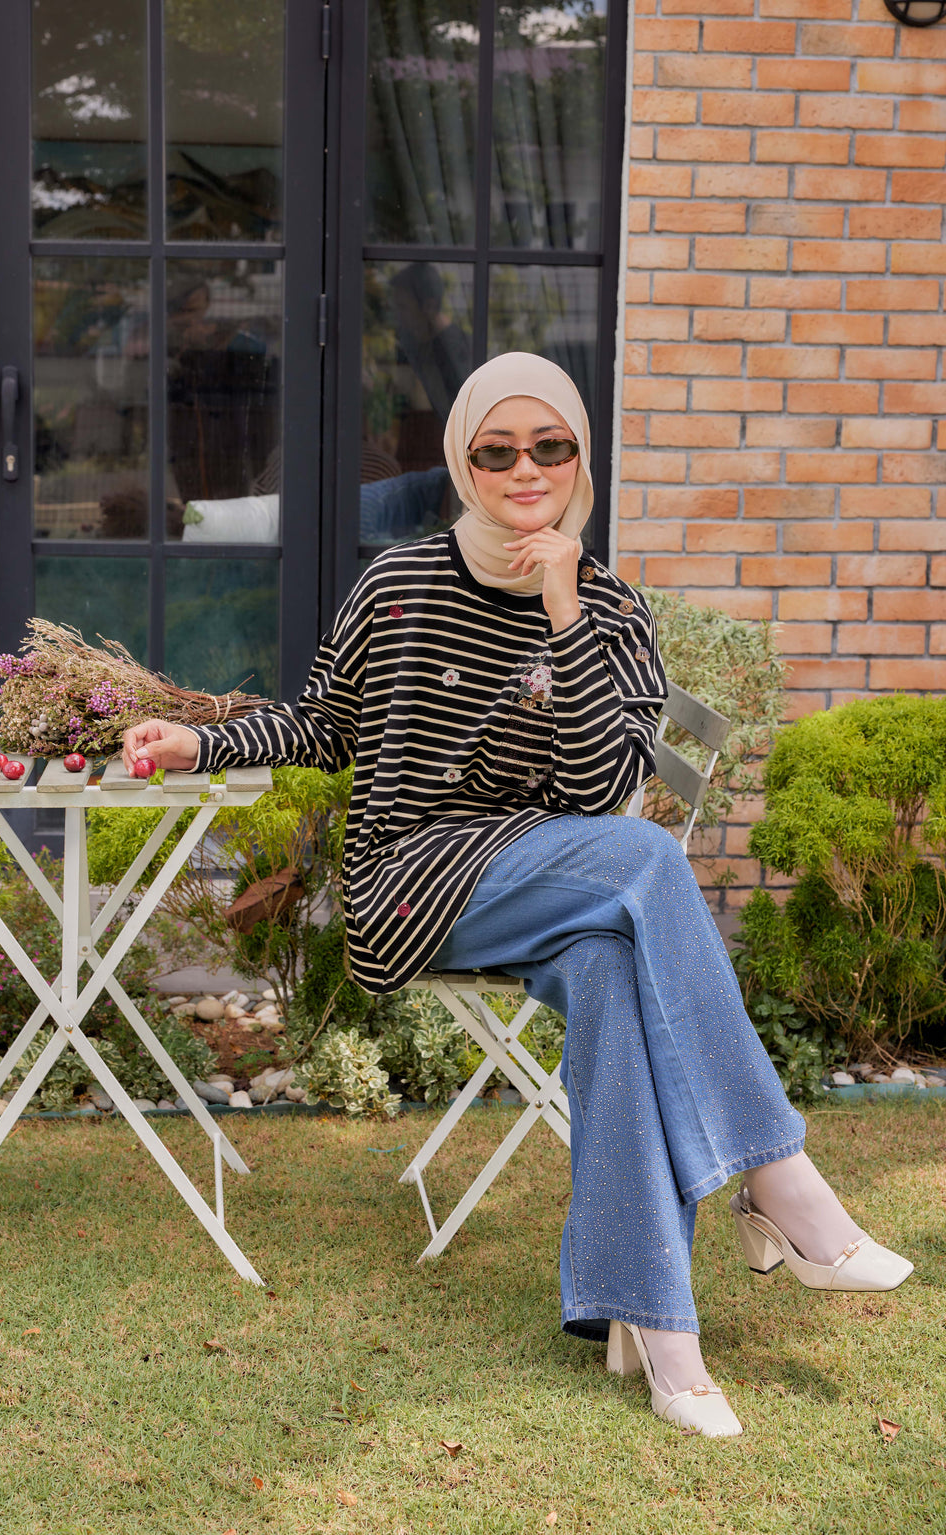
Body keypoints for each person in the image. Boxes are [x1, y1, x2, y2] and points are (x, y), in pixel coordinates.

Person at [123, 353, 913, 1437]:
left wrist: (562, 608)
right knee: (647, 861)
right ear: (462, 462)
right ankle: (783, 1183)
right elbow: (323, 723)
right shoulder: (396, 585)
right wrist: (201, 739)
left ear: (581, 458)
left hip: (552, 870)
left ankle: (658, 1330)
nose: (524, 468)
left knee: (611, 970)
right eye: (496, 450)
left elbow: (596, 788)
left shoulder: (611, 609)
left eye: (551, 445)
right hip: (412, 880)